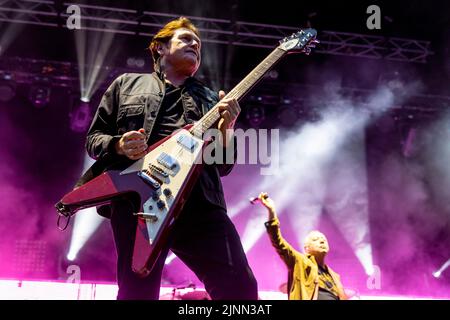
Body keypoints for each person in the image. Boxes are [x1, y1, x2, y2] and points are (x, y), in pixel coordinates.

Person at [80, 17, 258, 300]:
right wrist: (119, 145)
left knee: (240, 288)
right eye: (186, 39)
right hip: (138, 203)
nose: (195, 46)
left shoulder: (211, 99)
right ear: (160, 47)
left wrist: (228, 129)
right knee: (137, 291)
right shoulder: (126, 85)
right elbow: (94, 140)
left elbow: (222, 165)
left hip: (199, 203)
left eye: (198, 44)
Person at [256, 192, 347, 300]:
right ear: (306, 249)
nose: (322, 241)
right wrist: (271, 211)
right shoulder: (300, 262)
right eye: (315, 239)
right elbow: (278, 242)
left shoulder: (334, 276)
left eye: (323, 239)